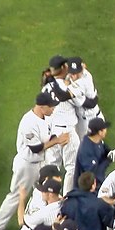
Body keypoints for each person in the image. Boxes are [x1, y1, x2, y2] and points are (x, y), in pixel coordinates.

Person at [0, 92, 67, 230]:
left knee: (43, 189)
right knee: (17, 195)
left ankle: (40, 218)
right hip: (27, 165)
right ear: (42, 107)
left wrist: (57, 138)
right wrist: (57, 141)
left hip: (40, 162)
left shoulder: (45, 117)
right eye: (51, 107)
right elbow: (35, 148)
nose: (53, 109)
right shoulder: (28, 122)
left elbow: (47, 138)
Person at [41, 55, 85, 194]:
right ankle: (67, 199)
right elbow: (80, 103)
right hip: (67, 133)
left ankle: (48, 196)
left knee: (52, 167)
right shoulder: (68, 87)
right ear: (64, 67)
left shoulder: (46, 87)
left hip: (51, 134)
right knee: (71, 168)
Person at [66, 58, 102, 140]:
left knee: (88, 146)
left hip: (89, 120)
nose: (73, 76)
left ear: (81, 71)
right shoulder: (84, 72)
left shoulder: (82, 82)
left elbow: (91, 104)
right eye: (72, 72)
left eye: (76, 73)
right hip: (84, 118)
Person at [74, 117, 115, 189]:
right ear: (100, 132)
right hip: (88, 188)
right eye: (104, 129)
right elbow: (93, 173)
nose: (106, 130)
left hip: (98, 183)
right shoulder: (86, 150)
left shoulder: (97, 140)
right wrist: (108, 160)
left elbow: (105, 149)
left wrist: (111, 153)